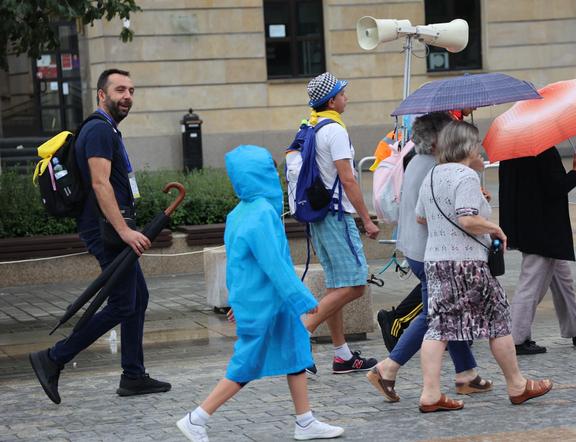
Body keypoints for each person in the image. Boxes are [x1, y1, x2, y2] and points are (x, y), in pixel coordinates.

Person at [176, 145, 343, 442]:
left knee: (296, 352)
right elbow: (275, 265)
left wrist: (236, 301)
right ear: (262, 175)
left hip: (262, 302)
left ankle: (305, 421)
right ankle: (197, 418)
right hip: (267, 303)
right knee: (247, 364)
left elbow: (236, 264)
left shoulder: (238, 213)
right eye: (270, 171)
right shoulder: (264, 213)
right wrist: (302, 298)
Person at [29, 69, 171, 404]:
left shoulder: (105, 130)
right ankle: (54, 357)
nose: (127, 96)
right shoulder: (98, 131)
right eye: (120, 89)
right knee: (124, 302)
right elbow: (99, 183)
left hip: (110, 227)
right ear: (101, 94)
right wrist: (124, 230)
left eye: (132, 90)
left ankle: (133, 375)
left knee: (138, 297)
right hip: (106, 230)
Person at [417, 120, 552, 412]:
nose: (480, 149)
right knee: (498, 319)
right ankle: (517, 385)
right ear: (466, 146)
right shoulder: (465, 176)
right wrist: (494, 227)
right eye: (476, 143)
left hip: (436, 261)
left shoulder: (431, 174)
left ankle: (430, 395)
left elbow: (421, 217)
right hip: (467, 264)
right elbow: (466, 219)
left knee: (438, 327)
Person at [367, 112, 493, 403]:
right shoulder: (436, 167)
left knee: (451, 309)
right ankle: (387, 368)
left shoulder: (416, 162)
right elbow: (445, 215)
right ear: (438, 140)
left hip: (416, 248)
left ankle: (466, 374)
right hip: (432, 251)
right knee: (435, 315)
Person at [300, 72, 380, 374]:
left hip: (319, 216)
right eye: (342, 93)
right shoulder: (334, 130)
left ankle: (341, 354)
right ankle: (302, 329)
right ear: (331, 100)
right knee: (357, 284)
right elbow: (348, 178)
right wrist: (366, 219)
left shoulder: (310, 125)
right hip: (336, 215)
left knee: (337, 285)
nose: (347, 97)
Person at [499, 147, 576, 355]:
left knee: (563, 280)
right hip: (543, 230)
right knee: (530, 284)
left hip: (527, 225)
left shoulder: (511, 150)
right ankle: (516, 338)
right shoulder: (543, 151)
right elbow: (555, 188)